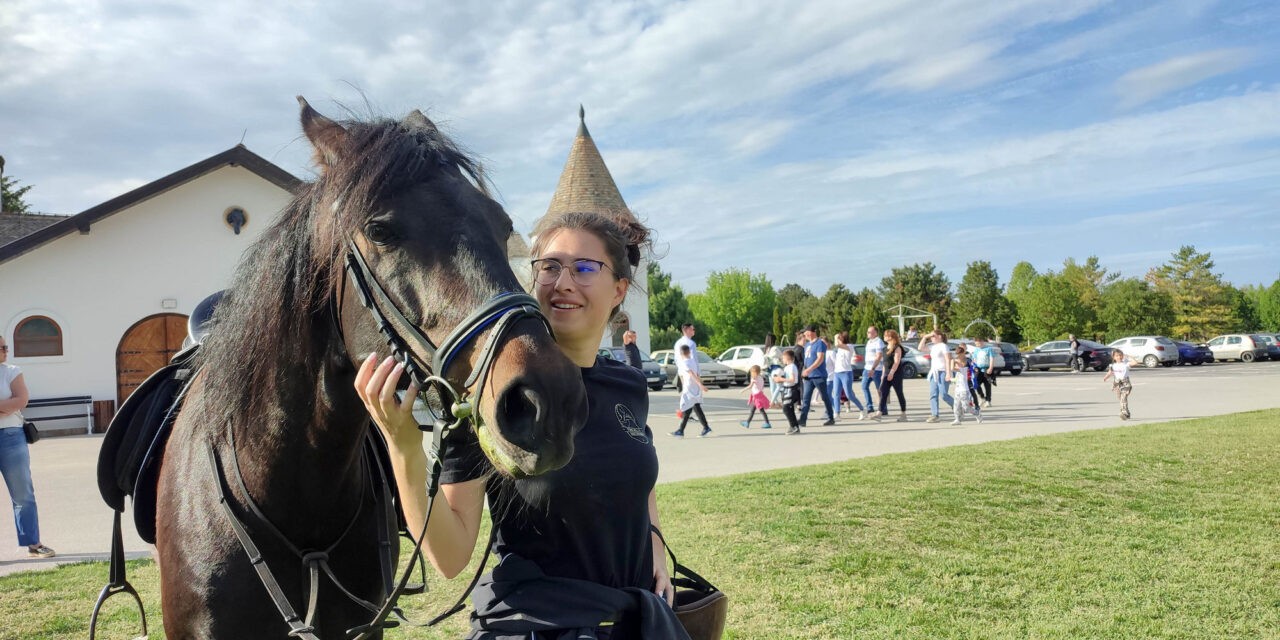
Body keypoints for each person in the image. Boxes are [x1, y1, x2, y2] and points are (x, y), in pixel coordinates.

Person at [354, 209, 688, 638]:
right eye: (550, 266)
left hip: (633, 622)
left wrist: (655, 542)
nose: (563, 282)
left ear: (619, 289)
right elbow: (451, 555)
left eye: (584, 267)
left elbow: (640, 472)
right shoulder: (496, 397)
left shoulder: (628, 385)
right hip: (537, 626)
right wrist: (404, 449)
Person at [0, 335, 55, 558]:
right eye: (2, 347)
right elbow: (12, 403)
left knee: (23, 494)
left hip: (11, 437)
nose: (6, 350)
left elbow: (21, 400)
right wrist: (5, 407)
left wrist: (10, 406)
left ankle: (34, 544)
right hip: (9, 428)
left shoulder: (11, 371)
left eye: (6, 346)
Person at [671, 344, 712, 438]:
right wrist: (699, 385)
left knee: (690, 408)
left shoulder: (685, 362)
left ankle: (683, 430)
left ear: (681, 353)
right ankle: (681, 430)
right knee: (692, 408)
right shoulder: (692, 361)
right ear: (689, 352)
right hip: (692, 388)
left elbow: (692, 374)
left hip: (690, 388)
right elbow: (694, 374)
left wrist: (700, 385)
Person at [799, 325, 835, 427]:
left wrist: (809, 369)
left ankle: (830, 417)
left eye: (806, 332)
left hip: (818, 375)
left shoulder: (820, 343)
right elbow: (806, 360)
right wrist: (804, 371)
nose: (804, 334)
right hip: (808, 377)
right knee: (806, 398)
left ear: (812, 332)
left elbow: (820, 359)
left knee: (824, 397)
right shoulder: (807, 345)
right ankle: (802, 420)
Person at [918, 330, 953, 424]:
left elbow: (948, 359)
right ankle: (935, 415)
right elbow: (920, 348)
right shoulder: (933, 347)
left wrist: (948, 373)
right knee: (933, 394)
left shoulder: (944, 346)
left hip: (943, 372)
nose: (931, 337)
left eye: (933, 336)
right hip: (934, 373)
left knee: (944, 394)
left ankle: (957, 406)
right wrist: (925, 337)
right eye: (931, 336)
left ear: (940, 337)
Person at [830, 332, 866, 421]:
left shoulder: (849, 346)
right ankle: (837, 413)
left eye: (840, 338)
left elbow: (837, 345)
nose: (838, 339)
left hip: (846, 373)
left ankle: (862, 409)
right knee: (836, 394)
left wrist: (836, 338)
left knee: (849, 394)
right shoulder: (840, 349)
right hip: (837, 373)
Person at [876, 329, 909, 422]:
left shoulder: (897, 348)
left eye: (886, 335)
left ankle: (903, 414)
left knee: (899, 393)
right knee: (883, 392)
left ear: (891, 337)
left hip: (896, 374)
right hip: (886, 373)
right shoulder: (884, 349)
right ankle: (879, 413)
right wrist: (883, 375)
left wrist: (891, 373)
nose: (884, 337)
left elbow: (897, 362)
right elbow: (884, 363)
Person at [948, 345, 982, 425]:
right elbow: (952, 368)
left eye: (960, 354)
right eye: (957, 354)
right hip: (958, 386)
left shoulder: (968, 361)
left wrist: (974, 370)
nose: (959, 355)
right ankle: (957, 419)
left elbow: (974, 368)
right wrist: (958, 366)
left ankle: (977, 413)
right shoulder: (955, 360)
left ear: (964, 352)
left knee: (966, 407)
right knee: (956, 405)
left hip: (965, 386)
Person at [772, 349, 802, 434]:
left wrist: (781, 379)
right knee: (789, 409)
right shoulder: (787, 367)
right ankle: (794, 426)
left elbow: (792, 379)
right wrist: (778, 379)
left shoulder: (792, 366)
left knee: (786, 408)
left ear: (787, 358)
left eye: (783, 358)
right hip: (787, 389)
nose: (782, 360)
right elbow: (786, 378)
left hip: (792, 390)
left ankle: (794, 426)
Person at [1101, 349, 1133, 420]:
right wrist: (1105, 377)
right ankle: (1127, 413)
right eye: (1117, 356)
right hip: (1117, 384)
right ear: (1114, 357)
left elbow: (1135, 362)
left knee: (1123, 398)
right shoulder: (1112, 365)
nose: (1119, 357)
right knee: (1120, 398)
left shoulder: (1126, 363)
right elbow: (1110, 372)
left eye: (1120, 355)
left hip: (1126, 383)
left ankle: (1124, 413)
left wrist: (1129, 357)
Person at [738, 365, 772, 429]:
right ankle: (747, 422)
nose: (752, 374)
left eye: (753, 373)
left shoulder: (754, 379)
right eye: (751, 373)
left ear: (757, 373)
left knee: (761, 410)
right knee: (753, 410)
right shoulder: (761, 378)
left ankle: (767, 423)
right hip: (759, 395)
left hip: (757, 396)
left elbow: (750, 386)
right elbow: (761, 387)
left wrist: (742, 390)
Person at [861, 326, 884, 416]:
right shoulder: (869, 342)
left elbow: (879, 356)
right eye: (867, 332)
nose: (868, 334)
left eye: (869, 332)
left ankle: (883, 408)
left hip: (876, 370)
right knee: (864, 386)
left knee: (880, 390)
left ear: (875, 333)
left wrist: (873, 368)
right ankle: (870, 407)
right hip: (867, 368)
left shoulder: (879, 342)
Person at [969, 336, 997, 407]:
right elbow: (974, 360)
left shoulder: (988, 349)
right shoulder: (976, 350)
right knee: (976, 384)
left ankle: (988, 400)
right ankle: (982, 397)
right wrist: (973, 366)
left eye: (978, 343)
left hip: (986, 369)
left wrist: (990, 368)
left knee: (987, 385)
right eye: (976, 344)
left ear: (982, 342)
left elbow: (991, 359)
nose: (977, 345)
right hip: (978, 370)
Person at [763, 333, 784, 408]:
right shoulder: (775, 349)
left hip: (769, 369)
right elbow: (782, 357)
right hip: (776, 369)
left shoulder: (767, 349)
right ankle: (772, 402)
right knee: (779, 386)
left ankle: (775, 402)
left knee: (772, 387)